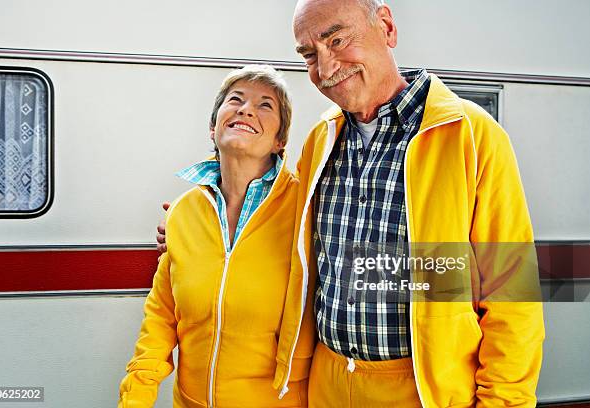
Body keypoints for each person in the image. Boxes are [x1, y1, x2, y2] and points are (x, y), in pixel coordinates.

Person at [158, 1, 545, 406]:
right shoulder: (320, 141)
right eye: (310, 55)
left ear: (387, 27)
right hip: (326, 387)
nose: (325, 69)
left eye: (337, 40)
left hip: (424, 393)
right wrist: (199, 229)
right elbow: (279, 228)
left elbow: (511, 295)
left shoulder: (472, 135)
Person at [119, 65, 315, 407]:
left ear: (280, 140)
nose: (245, 109)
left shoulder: (305, 209)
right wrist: (135, 398)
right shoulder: (183, 211)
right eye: (235, 99)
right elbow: (161, 319)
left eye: (265, 105)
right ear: (213, 127)